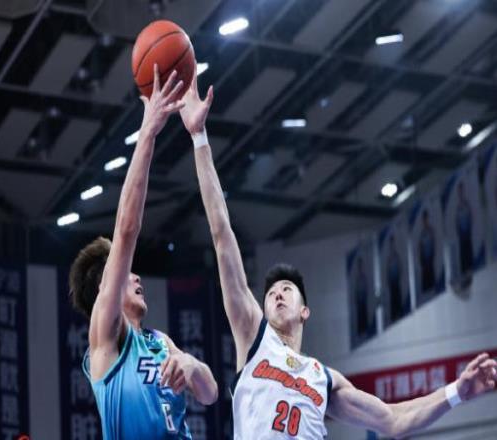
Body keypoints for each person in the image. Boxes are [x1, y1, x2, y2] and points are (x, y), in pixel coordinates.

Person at [179, 68, 497, 439]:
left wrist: (458, 392)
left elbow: (392, 419)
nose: (277, 294)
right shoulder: (254, 338)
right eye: (271, 293)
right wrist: (199, 137)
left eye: (286, 290)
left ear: (305, 311)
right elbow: (222, 234)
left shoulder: (323, 377)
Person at [68, 65, 217, 440]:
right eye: (125, 272)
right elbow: (127, 229)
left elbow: (210, 393)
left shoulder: (159, 342)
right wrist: (148, 132)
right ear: (105, 286)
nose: (135, 276)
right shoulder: (106, 335)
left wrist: (189, 363)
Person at [455, 181, 473, 277]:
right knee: (463, 252)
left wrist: (469, 228)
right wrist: (459, 231)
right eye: (459, 191)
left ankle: (470, 267)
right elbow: (457, 221)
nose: (460, 193)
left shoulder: (466, 204)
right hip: (462, 234)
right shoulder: (458, 207)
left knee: (468, 249)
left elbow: (470, 216)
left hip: (467, 232)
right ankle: (464, 270)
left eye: (461, 191)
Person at [419, 209, 436, 294]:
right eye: (424, 219)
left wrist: (432, 255)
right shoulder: (422, 233)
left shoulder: (430, 231)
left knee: (430, 273)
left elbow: (433, 243)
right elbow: (420, 247)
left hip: (430, 258)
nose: (425, 221)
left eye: (426, 219)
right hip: (424, 260)